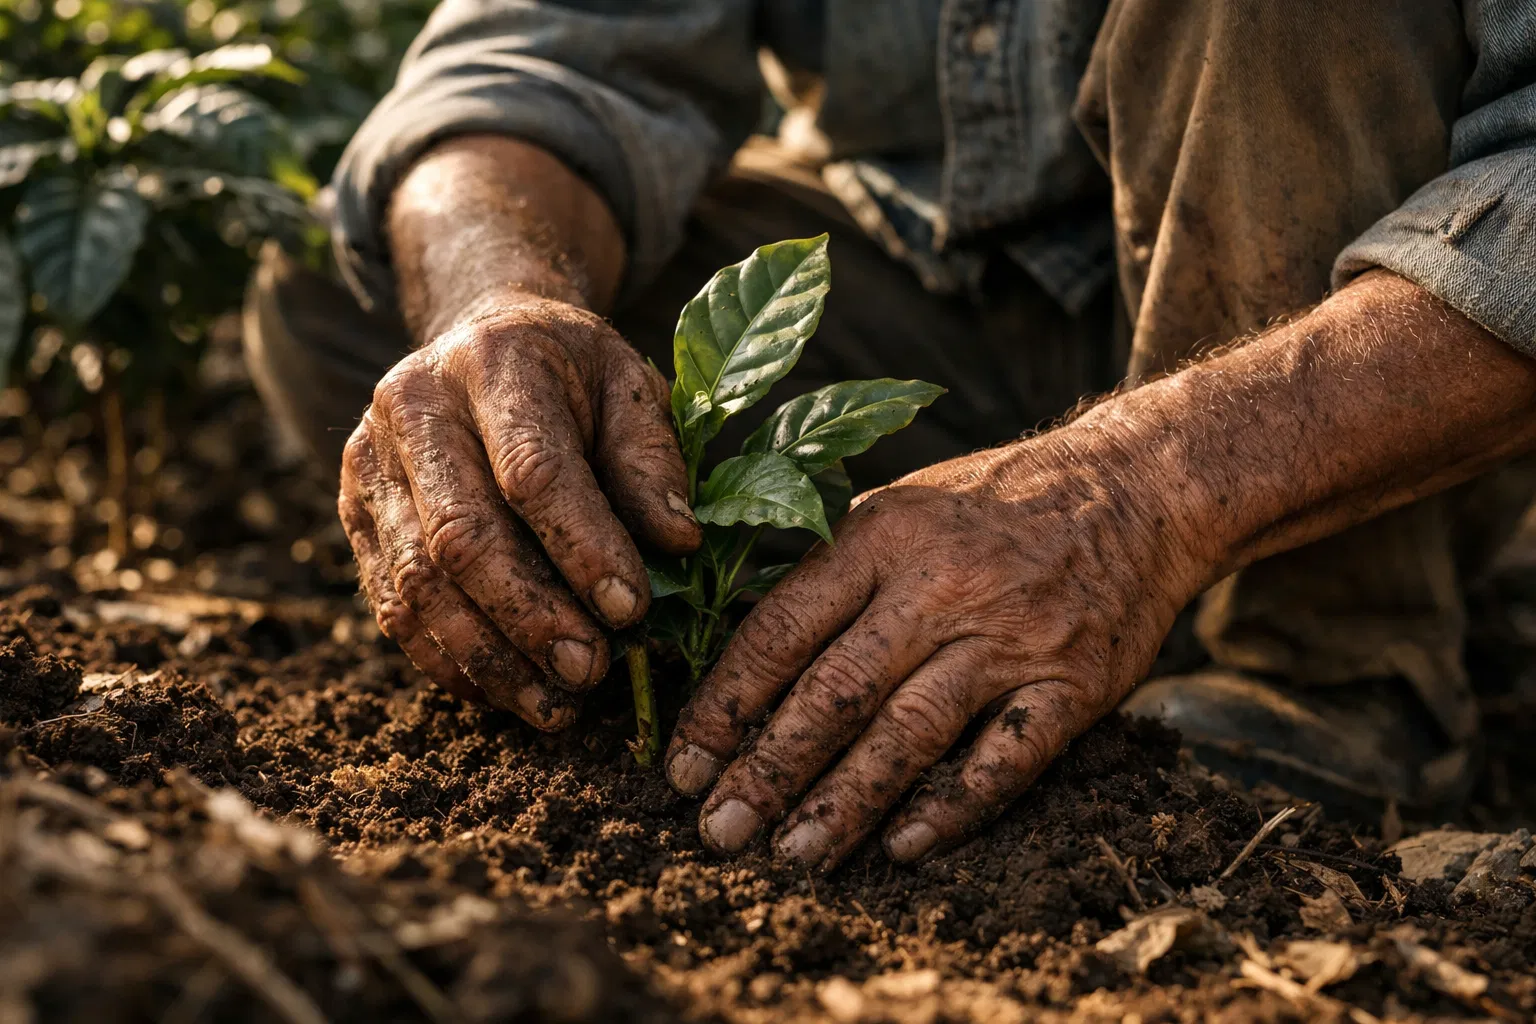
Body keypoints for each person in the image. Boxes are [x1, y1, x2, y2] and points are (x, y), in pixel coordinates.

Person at [245, 0, 1536, 873]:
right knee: (364, 299)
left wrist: (1128, 492)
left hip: (1353, 334)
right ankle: (786, 667)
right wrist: (496, 303)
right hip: (934, 294)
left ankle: (1326, 666)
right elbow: (545, 56)